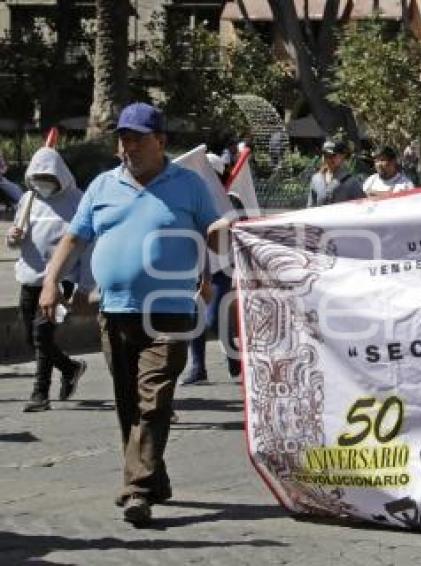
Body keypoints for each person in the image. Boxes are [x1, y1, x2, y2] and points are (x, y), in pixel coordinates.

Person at [38, 102, 232, 526]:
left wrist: (228, 230)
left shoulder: (190, 185)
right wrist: (51, 280)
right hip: (116, 311)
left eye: (137, 139)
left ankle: (137, 489)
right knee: (129, 402)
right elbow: (74, 238)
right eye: (123, 139)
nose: (128, 147)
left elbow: (215, 238)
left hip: (171, 312)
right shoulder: (103, 185)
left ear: (160, 141)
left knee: (154, 399)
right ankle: (154, 477)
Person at [5, 147, 91, 412]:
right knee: (32, 338)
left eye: (47, 176)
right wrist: (13, 237)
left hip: (59, 280)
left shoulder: (77, 200)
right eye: (37, 176)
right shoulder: (28, 199)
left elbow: (87, 243)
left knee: (42, 334)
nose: (42, 181)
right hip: (29, 277)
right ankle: (70, 367)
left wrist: (85, 284)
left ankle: (40, 393)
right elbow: (16, 241)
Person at [183, 153, 243, 385]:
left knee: (214, 318)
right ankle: (197, 367)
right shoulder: (191, 197)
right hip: (196, 265)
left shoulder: (232, 200)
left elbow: (241, 234)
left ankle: (232, 354)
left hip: (223, 266)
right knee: (194, 316)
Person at [306, 140, 365, 206]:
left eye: (331, 156)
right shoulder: (316, 179)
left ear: (342, 157)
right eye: (325, 155)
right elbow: (310, 208)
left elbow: (362, 207)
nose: (327, 159)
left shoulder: (351, 182)